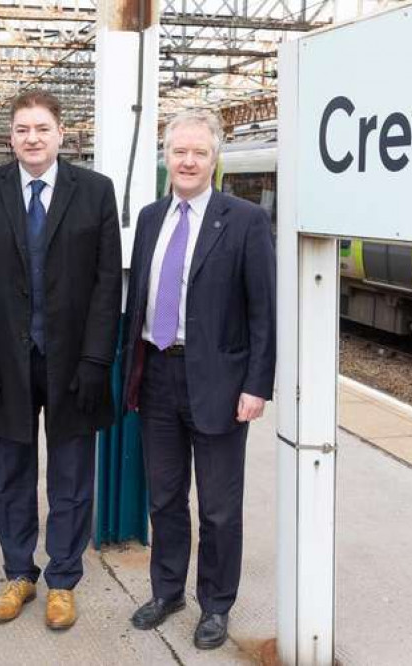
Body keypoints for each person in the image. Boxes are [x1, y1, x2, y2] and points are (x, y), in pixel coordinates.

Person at [0, 90, 122, 630]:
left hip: (74, 362)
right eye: (23, 129)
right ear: (10, 137)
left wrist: (98, 359)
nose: (33, 138)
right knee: (10, 474)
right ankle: (18, 574)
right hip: (8, 360)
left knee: (72, 476)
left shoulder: (95, 191)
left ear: (61, 134)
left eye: (42, 128)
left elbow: (105, 285)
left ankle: (64, 580)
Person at [122, 109, 276, 649]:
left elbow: (264, 312)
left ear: (215, 159)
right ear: (166, 156)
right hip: (157, 373)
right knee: (164, 499)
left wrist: (257, 385)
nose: (188, 161)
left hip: (220, 383)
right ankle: (167, 592)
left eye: (199, 153)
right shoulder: (148, 218)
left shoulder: (246, 221)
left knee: (217, 505)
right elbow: (136, 299)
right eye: (179, 151)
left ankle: (216, 605)